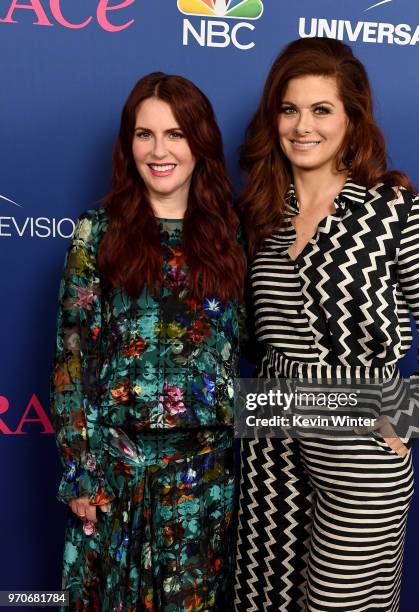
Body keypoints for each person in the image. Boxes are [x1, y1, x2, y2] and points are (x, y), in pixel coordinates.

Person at [234, 38, 419, 611]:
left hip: (358, 449)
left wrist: (412, 417)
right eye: (289, 109)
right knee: (268, 599)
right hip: (271, 447)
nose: (302, 127)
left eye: (322, 110)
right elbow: (244, 334)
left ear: (351, 118)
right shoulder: (262, 212)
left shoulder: (390, 206)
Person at [50, 72, 245, 610]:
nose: (159, 150)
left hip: (206, 477)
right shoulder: (99, 229)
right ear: (128, 143)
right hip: (115, 470)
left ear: (200, 142)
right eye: (144, 134)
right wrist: (79, 469)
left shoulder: (234, 233)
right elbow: (72, 357)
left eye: (175, 134)